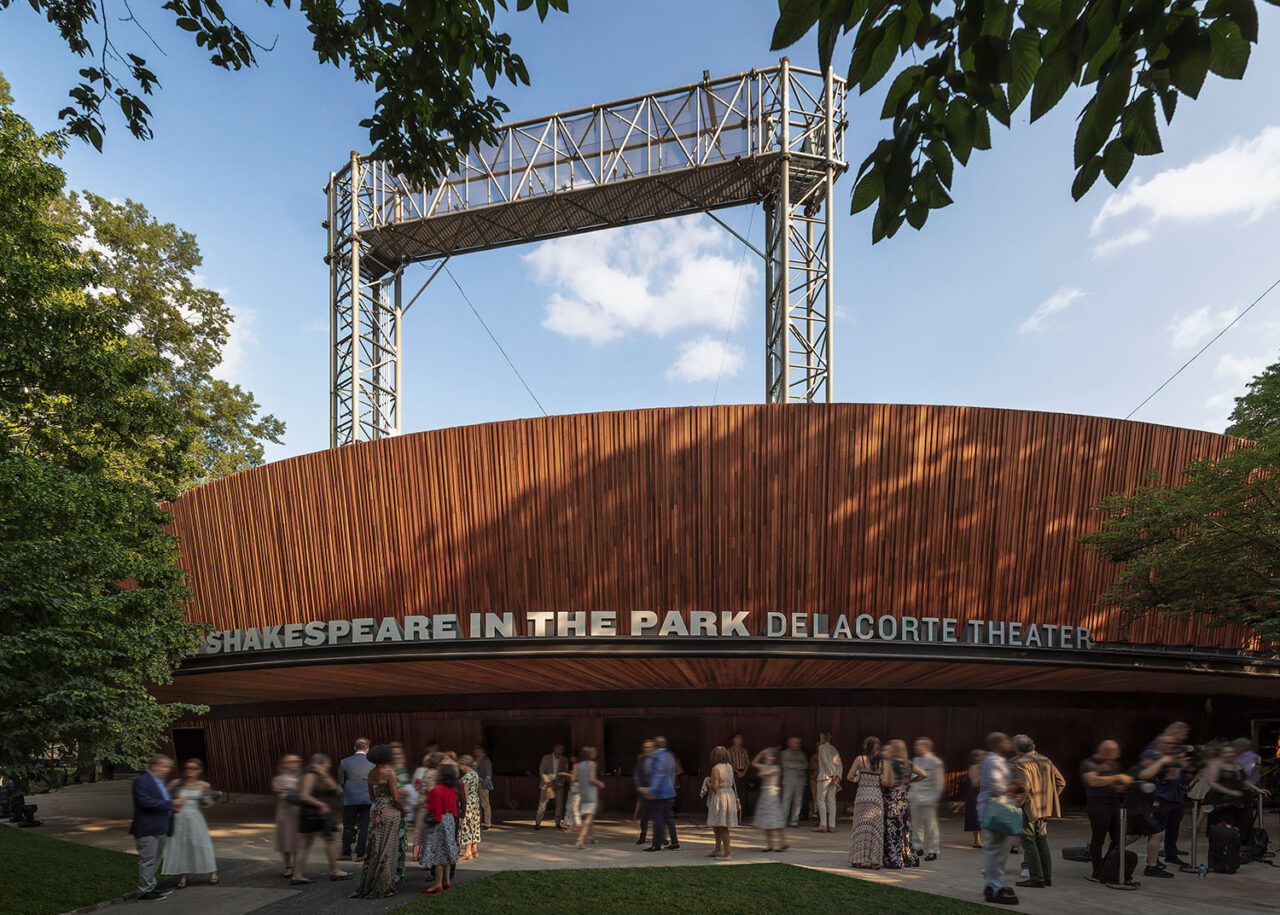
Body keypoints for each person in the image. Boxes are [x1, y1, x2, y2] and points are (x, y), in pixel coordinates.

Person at [1010, 734, 1064, 889]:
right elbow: (1061, 782)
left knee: (1029, 842)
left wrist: (1018, 803)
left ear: (1017, 749)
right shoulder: (1045, 760)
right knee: (1042, 840)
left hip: (1030, 808)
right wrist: (1050, 798)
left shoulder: (1021, 762)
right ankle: (1047, 877)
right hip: (1044, 807)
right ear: (1032, 747)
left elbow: (1025, 787)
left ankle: (1037, 878)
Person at [350, 744, 403, 899]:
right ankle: (383, 885)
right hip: (389, 810)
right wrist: (404, 809)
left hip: (375, 809)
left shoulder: (371, 773)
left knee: (374, 846)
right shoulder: (389, 773)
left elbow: (372, 797)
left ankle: (369, 883)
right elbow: (396, 797)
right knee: (388, 846)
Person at [294, 753, 352, 884]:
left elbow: (334, 788)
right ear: (319, 763)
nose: (329, 766)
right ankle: (335, 871)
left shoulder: (316, 775)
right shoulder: (310, 775)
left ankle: (297, 875)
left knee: (305, 844)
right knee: (331, 840)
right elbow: (303, 796)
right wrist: (321, 804)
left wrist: (323, 774)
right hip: (313, 814)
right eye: (327, 764)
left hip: (308, 813)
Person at [1080, 739, 1131, 886]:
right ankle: (1096, 870)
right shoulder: (1089, 764)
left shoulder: (1113, 765)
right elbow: (1092, 781)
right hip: (1098, 806)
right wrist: (1116, 778)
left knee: (1118, 839)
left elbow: (1119, 785)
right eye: (1114, 752)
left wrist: (1125, 784)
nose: (1117, 754)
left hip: (1114, 805)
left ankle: (1106, 866)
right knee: (1098, 839)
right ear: (1104, 751)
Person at [130, 754, 181, 901]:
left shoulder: (161, 782)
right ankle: (144, 892)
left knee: (156, 859)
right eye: (164, 766)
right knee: (148, 860)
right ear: (154, 766)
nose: (167, 770)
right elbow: (146, 802)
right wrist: (171, 804)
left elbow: (163, 801)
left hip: (160, 827)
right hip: (147, 828)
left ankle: (151, 887)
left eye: (169, 767)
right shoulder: (142, 781)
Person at [163, 758, 219, 888]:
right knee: (181, 845)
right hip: (179, 818)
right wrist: (173, 800)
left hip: (195, 817)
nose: (189, 771)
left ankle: (212, 872)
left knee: (200, 843)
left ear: (199, 770)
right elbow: (163, 794)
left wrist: (207, 799)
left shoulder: (203, 785)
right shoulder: (178, 782)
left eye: (193, 768)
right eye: (187, 768)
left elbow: (208, 804)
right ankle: (183, 876)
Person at [978, 732, 1019, 905]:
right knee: (997, 849)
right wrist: (1014, 786)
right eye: (1006, 741)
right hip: (996, 807)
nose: (1009, 743)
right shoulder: (993, 761)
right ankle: (996, 887)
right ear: (998, 744)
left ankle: (992, 884)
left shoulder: (995, 760)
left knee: (998, 848)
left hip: (997, 806)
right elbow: (996, 787)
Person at [1148, 724, 1191, 867]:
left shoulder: (1178, 752)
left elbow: (1182, 772)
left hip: (1177, 795)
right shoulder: (1157, 751)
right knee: (1157, 829)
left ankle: (1171, 855)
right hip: (1162, 796)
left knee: (1173, 828)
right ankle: (1153, 860)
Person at [1205, 742, 1271, 834]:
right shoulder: (1215, 763)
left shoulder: (1237, 765)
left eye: (1232, 752)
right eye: (1227, 752)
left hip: (1239, 799)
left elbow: (1243, 780)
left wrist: (1256, 789)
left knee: (1244, 822)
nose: (1229, 754)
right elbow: (1212, 783)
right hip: (1222, 799)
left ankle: (1242, 843)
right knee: (1224, 826)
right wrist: (1230, 792)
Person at [882, 740, 923, 870]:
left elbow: (886, 782)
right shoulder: (909, 764)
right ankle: (909, 857)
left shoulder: (889, 764)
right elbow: (924, 774)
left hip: (892, 801)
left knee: (891, 830)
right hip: (903, 801)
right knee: (905, 829)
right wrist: (910, 781)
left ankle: (894, 859)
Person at [419, 763, 459, 895]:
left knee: (437, 854)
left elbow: (434, 810)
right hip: (449, 821)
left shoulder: (436, 790)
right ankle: (446, 881)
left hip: (438, 822)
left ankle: (437, 884)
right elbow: (454, 810)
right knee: (446, 852)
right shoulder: (451, 790)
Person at [847, 736, 885, 869]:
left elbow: (849, 776)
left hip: (862, 795)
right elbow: (884, 781)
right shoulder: (882, 762)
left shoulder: (860, 759)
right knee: (875, 829)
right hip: (876, 796)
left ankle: (857, 860)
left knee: (860, 827)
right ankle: (874, 862)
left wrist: (859, 778)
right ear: (878, 747)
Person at [338, 738, 374, 861]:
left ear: (354, 748)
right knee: (364, 826)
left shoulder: (344, 762)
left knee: (348, 825)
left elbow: (341, 781)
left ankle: (346, 852)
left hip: (350, 797)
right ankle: (360, 853)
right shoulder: (372, 763)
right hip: (367, 797)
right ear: (367, 748)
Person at [642, 736, 679, 851]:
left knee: (657, 818)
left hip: (659, 791)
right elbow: (672, 774)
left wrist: (651, 790)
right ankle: (674, 842)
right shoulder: (669, 756)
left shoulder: (656, 756)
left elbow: (657, 774)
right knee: (669, 818)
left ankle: (656, 844)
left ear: (656, 745)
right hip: (669, 790)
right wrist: (671, 788)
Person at [910, 737, 943, 861]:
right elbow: (913, 777)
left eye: (918, 745)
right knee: (916, 824)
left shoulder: (935, 761)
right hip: (916, 796)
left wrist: (934, 797)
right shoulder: (915, 760)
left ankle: (933, 850)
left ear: (926, 747)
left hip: (929, 798)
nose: (915, 747)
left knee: (931, 825)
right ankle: (918, 847)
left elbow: (938, 782)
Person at [705, 746, 739, 859]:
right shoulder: (729, 766)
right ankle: (717, 849)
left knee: (722, 826)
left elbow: (715, 787)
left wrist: (707, 783)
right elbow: (731, 781)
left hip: (720, 797)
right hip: (729, 794)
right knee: (717, 824)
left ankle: (727, 853)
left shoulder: (716, 768)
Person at [751, 746, 787, 852]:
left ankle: (783, 842)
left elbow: (761, 774)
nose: (768, 757)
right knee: (767, 822)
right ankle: (769, 844)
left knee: (776, 820)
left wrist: (765, 764)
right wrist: (762, 752)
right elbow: (753, 763)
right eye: (767, 755)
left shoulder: (775, 768)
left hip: (772, 795)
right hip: (765, 795)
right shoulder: (766, 766)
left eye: (770, 755)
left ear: (774, 758)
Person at [273, 754, 302, 879]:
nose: (294, 764)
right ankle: (288, 866)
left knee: (297, 840)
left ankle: (296, 865)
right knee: (286, 839)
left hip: (298, 812)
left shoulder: (302, 778)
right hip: (285, 813)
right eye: (291, 762)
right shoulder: (280, 779)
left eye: (296, 761)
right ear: (285, 764)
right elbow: (282, 796)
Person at [575, 746, 605, 849]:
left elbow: (574, 778)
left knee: (589, 816)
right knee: (588, 818)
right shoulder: (592, 764)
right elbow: (592, 778)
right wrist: (600, 783)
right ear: (591, 755)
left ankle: (590, 837)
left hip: (583, 791)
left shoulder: (579, 765)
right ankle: (580, 839)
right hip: (591, 792)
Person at [534, 743, 569, 830]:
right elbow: (542, 771)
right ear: (554, 749)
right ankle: (537, 823)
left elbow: (565, 773)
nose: (559, 751)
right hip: (547, 784)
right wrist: (548, 782)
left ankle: (557, 823)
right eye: (558, 748)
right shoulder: (546, 758)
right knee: (542, 804)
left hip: (558, 784)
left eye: (561, 749)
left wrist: (559, 784)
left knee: (559, 805)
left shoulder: (564, 759)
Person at [813, 731, 842, 833]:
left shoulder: (821, 748)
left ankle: (823, 824)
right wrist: (837, 776)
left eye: (820, 738)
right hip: (833, 777)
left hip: (824, 776)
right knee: (831, 800)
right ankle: (832, 825)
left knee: (821, 800)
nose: (820, 740)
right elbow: (839, 764)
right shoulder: (834, 749)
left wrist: (831, 773)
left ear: (824, 738)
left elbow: (825, 761)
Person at [455, 755, 482, 860]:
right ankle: (474, 849)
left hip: (468, 802)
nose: (460, 768)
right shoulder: (475, 774)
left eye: (461, 765)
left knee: (466, 825)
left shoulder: (466, 777)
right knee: (474, 824)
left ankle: (467, 852)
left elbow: (463, 793)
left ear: (465, 764)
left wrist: (460, 804)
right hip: (475, 801)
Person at [780, 736, 807, 828]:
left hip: (800, 781)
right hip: (789, 780)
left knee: (798, 801)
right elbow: (786, 764)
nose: (797, 745)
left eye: (798, 743)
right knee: (786, 801)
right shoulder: (785, 753)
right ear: (790, 743)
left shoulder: (801, 754)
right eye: (795, 742)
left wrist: (794, 766)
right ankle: (782, 821)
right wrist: (798, 765)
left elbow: (806, 765)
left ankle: (794, 821)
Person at [634, 739, 655, 846]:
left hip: (655, 791)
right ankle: (643, 836)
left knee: (658, 815)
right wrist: (640, 787)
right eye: (645, 747)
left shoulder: (658, 760)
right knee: (644, 815)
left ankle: (661, 837)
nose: (647, 749)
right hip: (644, 791)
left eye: (649, 747)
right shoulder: (641, 760)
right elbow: (637, 775)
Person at [963, 748, 984, 848]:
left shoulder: (980, 766)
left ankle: (978, 839)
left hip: (979, 792)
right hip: (976, 792)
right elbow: (975, 782)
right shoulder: (976, 767)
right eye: (981, 755)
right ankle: (977, 840)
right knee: (976, 817)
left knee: (978, 817)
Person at [728, 732, 751, 816]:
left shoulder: (744, 750)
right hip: (734, 772)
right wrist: (737, 772)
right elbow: (729, 763)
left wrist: (743, 772)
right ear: (734, 739)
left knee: (742, 793)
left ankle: (742, 813)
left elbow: (747, 763)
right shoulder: (730, 750)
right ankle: (734, 814)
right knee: (734, 792)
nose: (740, 740)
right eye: (737, 738)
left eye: (740, 738)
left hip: (743, 772)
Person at [473, 745, 493, 829]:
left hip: (482, 783)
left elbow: (488, 774)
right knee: (477, 803)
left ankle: (487, 823)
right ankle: (478, 821)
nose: (475, 751)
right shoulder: (477, 760)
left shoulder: (485, 760)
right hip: (476, 783)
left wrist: (485, 784)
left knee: (485, 804)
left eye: (476, 749)